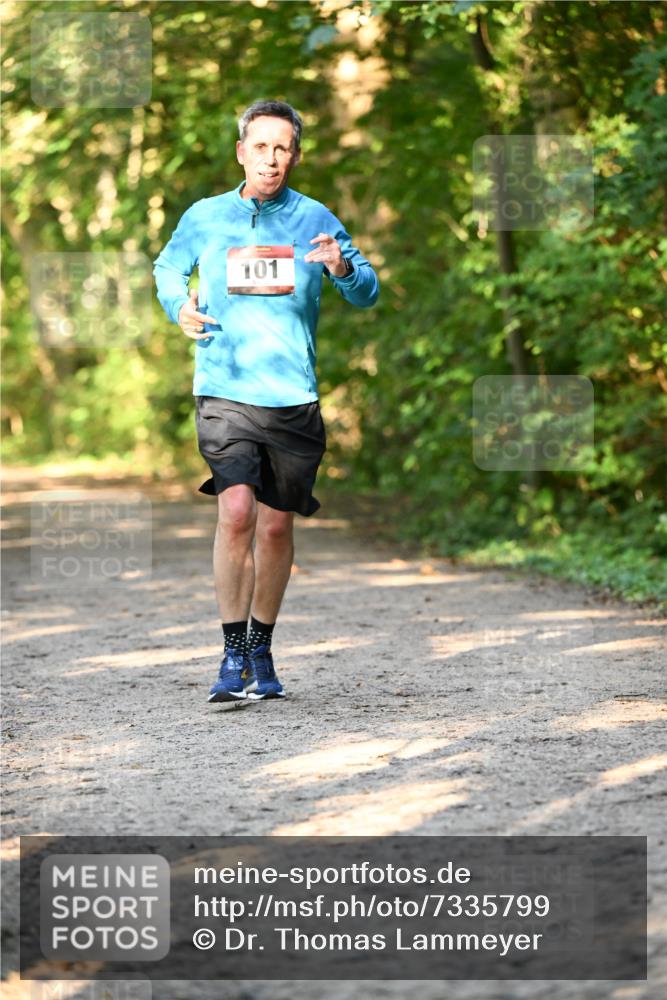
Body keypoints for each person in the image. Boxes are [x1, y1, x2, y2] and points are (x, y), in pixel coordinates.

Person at [152, 99, 379, 705]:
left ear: (295, 156)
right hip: (224, 390)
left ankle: (261, 645)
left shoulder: (315, 218)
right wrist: (179, 306)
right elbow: (167, 268)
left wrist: (343, 268)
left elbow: (367, 290)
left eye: (282, 148)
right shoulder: (205, 216)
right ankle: (231, 654)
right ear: (241, 152)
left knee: (276, 527)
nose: (271, 159)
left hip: (292, 396)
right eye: (260, 147)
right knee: (236, 514)